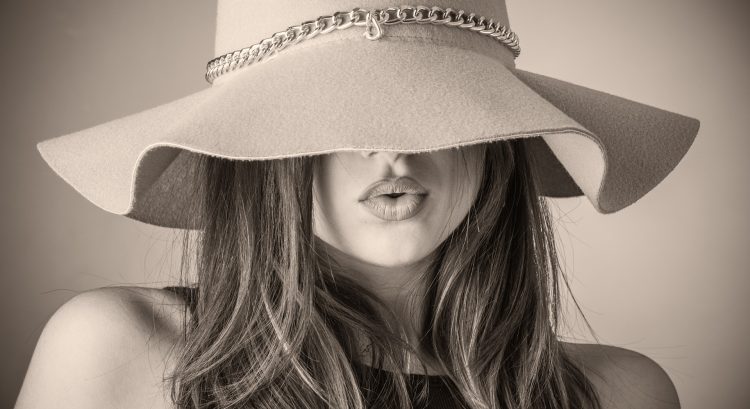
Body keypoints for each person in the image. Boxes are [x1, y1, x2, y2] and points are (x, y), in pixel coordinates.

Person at [15, 1, 699, 408]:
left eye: (431, 102)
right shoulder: (122, 351)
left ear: (498, 140)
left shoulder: (621, 394)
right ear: (256, 151)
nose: (388, 148)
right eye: (333, 111)